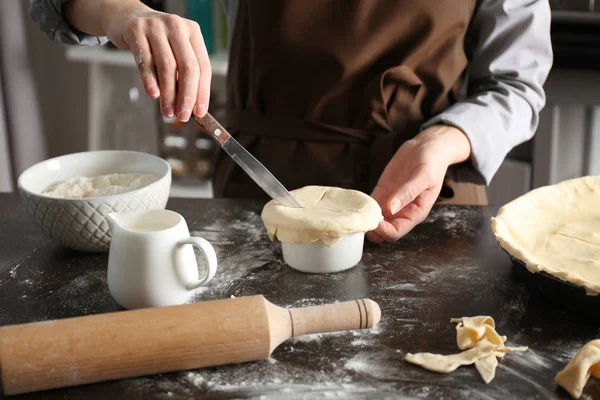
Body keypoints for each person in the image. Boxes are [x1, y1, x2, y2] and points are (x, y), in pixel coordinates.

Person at [30, 0, 553, 243]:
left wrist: (448, 137)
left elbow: (518, 85)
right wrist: (123, 13)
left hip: (427, 206)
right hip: (254, 211)